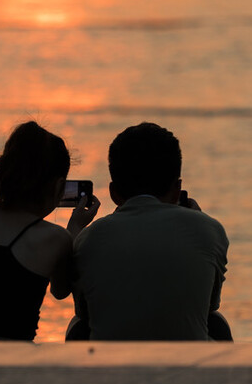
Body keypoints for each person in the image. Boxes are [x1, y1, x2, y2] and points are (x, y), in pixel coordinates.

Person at [0, 121, 99, 341]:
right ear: (58, 187)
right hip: (11, 366)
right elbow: (60, 291)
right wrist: (74, 229)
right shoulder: (55, 238)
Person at [70, 122, 231, 341]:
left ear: (113, 193)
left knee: (78, 325)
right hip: (186, 364)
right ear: (177, 189)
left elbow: (83, 310)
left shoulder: (90, 237)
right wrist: (200, 221)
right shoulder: (210, 230)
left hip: (110, 365)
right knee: (217, 323)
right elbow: (210, 304)